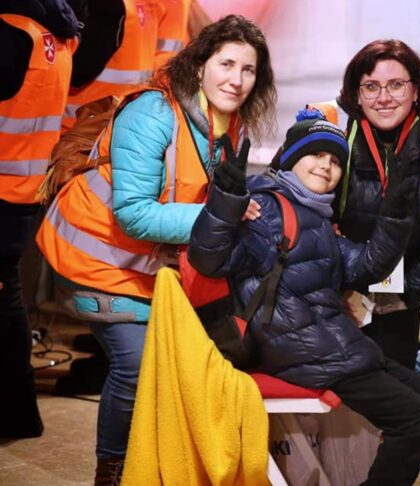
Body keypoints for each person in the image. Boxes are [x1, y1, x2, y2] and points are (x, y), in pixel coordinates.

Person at [35, 14, 276, 484]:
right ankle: (112, 468)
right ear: (200, 63)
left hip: (151, 262)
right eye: (227, 64)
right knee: (135, 365)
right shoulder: (153, 114)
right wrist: (221, 219)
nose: (237, 79)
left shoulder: (228, 121)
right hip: (95, 257)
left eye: (249, 70)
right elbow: (135, 213)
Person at [189, 109, 420, 486]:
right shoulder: (265, 208)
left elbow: (367, 266)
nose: (327, 166)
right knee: (414, 418)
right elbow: (208, 258)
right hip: (298, 351)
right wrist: (223, 202)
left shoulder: (316, 216)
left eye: (336, 161)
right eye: (316, 155)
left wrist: (396, 212)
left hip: (331, 345)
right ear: (291, 158)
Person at [310, 39, 420, 370]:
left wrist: (408, 293)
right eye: (371, 86)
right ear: (355, 93)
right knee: (338, 402)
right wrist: (335, 288)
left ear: (415, 90)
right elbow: (292, 213)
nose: (384, 98)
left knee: (397, 386)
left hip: (402, 292)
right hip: (330, 295)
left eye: (396, 85)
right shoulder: (325, 120)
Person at [0, 0, 81, 439]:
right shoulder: (52, 30)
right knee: (7, 299)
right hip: (19, 193)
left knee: (5, 306)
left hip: (4, 192)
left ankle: (16, 414)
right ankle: (19, 414)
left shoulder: (14, 33)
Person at [62, 0, 163, 131]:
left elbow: (79, 71)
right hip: (122, 127)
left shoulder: (108, 7)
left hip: (81, 130)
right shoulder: (148, 5)